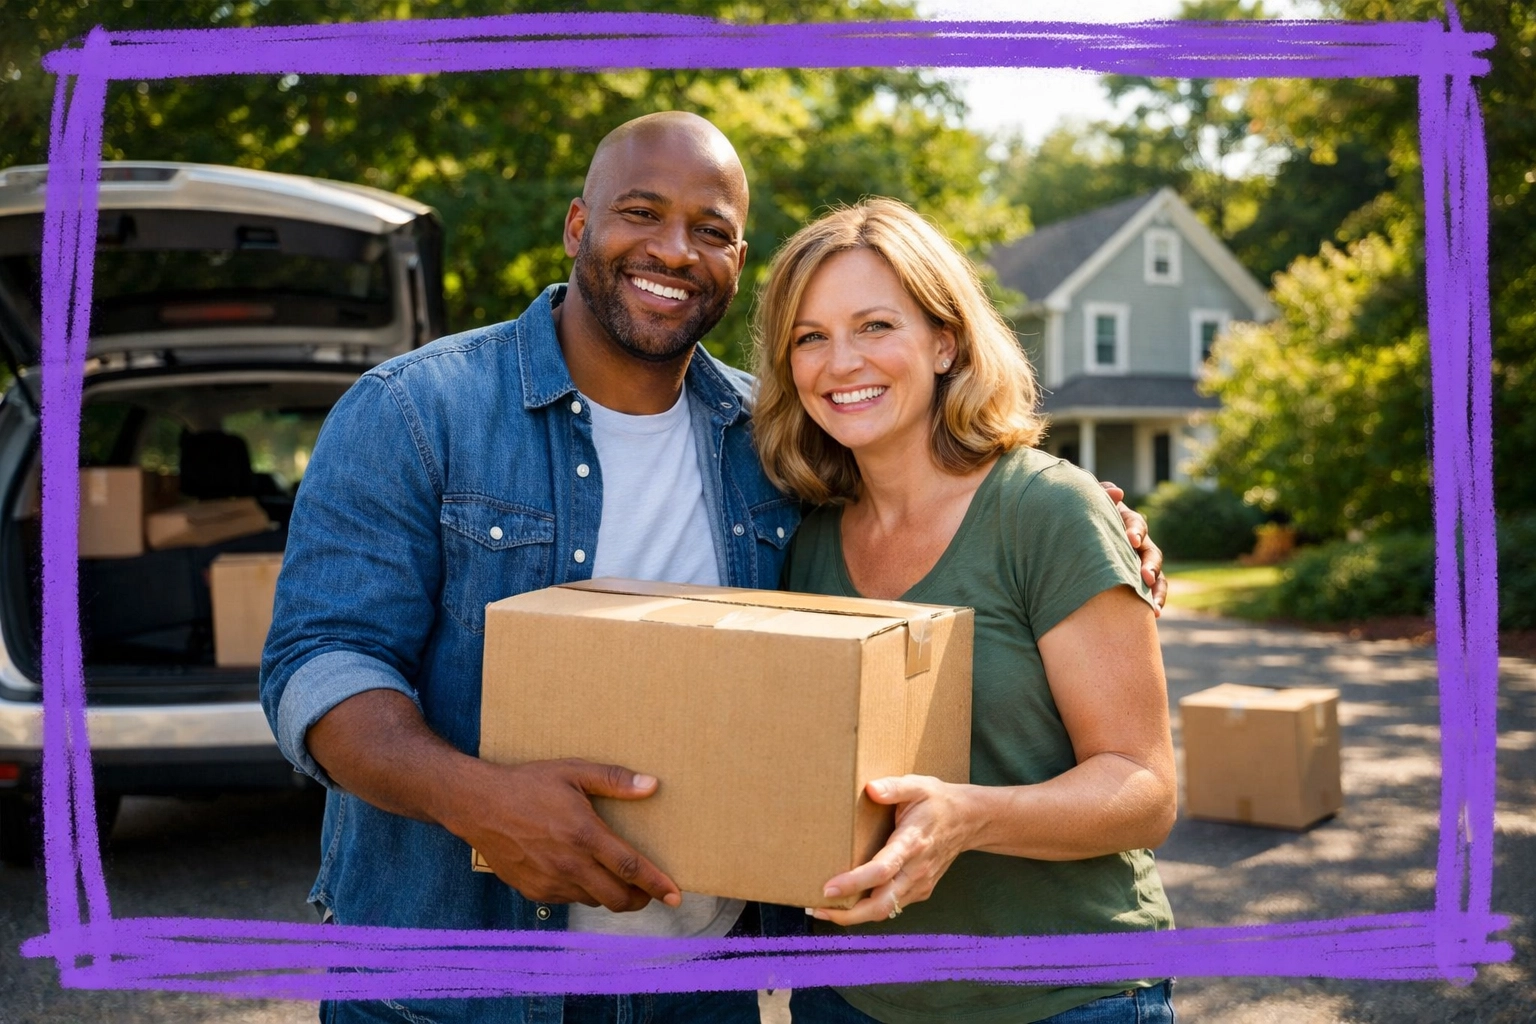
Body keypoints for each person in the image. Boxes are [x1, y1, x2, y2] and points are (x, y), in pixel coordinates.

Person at [260, 113, 1167, 1024]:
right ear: (579, 227)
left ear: (738, 258)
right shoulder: (419, 411)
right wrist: (476, 800)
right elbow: (320, 661)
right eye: (641, 213)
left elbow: (952, 506)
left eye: (711, 230)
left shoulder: (769, 446)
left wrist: (1102, 527)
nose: (673, 250)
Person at [752, 197, 1179, 1024]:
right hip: (851, 999)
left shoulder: (1046, 511)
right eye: (810, 337)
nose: (841, 362)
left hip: (1062, 997)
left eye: (876, 325)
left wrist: (968, 818)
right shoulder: (805, 548)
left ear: (945, 341)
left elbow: (1145, 789)